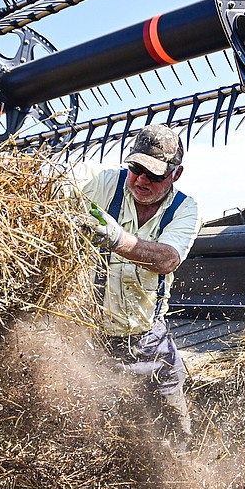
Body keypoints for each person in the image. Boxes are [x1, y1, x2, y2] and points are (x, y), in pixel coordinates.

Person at [74, 125, 201, 445]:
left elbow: (167, 259)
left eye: (154, 174)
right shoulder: (105, 184)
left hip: (147, 339)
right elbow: (43, 179)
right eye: (136, 168)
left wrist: (117, 239)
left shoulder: (184, 209)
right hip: (92, 336)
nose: (141, 180)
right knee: (95, 429)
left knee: (174, 430)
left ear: (176, 174)